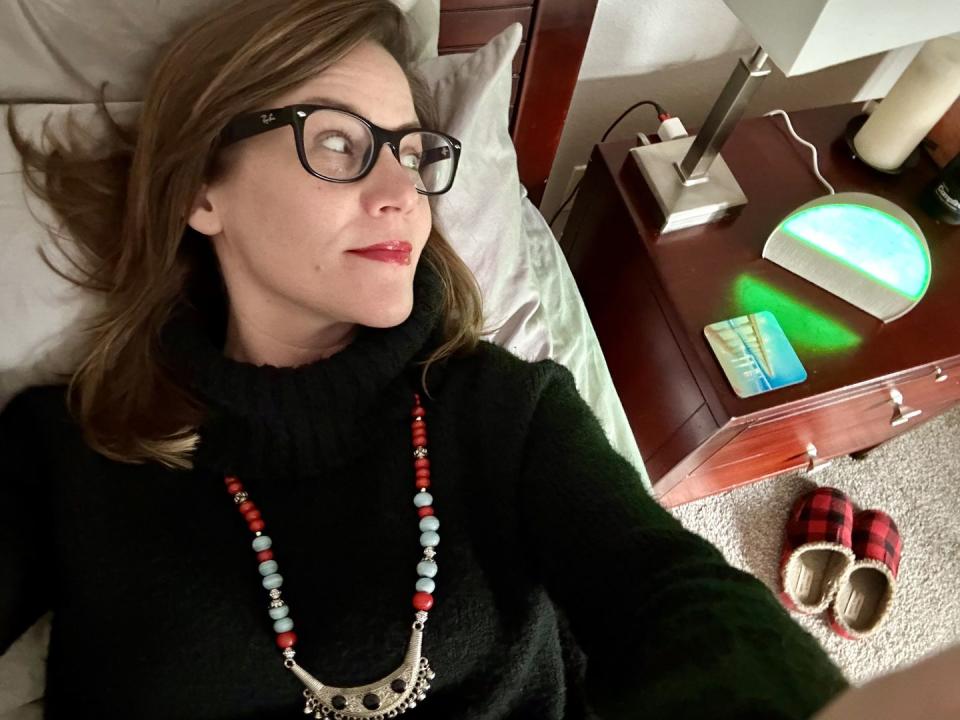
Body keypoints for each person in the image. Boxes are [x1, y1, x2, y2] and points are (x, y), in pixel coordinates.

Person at [0, 0, 848, 718]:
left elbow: (667, 592)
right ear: (199, 191)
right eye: (337, 144)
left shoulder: (505, 414)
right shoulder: (70, 450)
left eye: (411, 151)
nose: (402, 191)